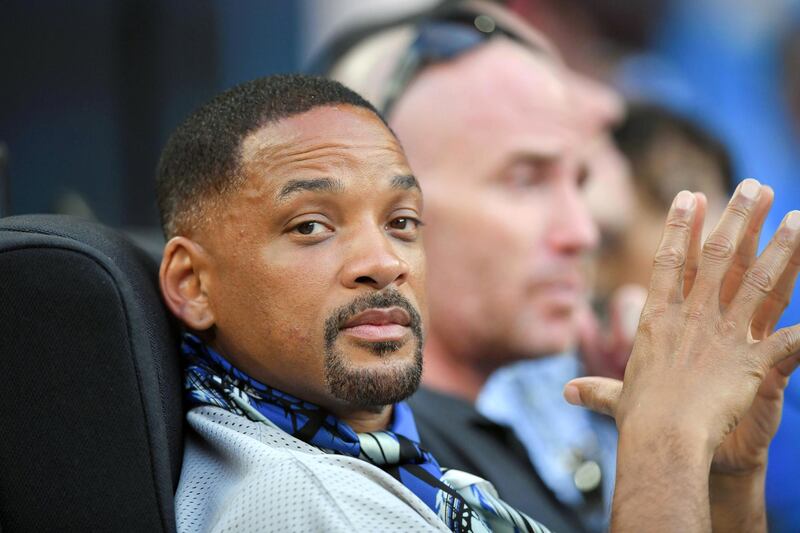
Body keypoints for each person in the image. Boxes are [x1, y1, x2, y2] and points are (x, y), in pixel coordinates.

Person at [158, 72, 800, 532]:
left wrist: (722, 479)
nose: (382, 262)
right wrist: (665, 444)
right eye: (310, 227)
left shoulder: (394, 461)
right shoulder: (291, 503)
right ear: (192, 284)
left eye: (402, 222)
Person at [323, 3, 629, 530]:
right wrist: (670, 448)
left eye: (578, 183)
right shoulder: (366, 479)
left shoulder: (473, 437)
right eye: (525, 179)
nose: (581, 232)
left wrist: (727, 470)